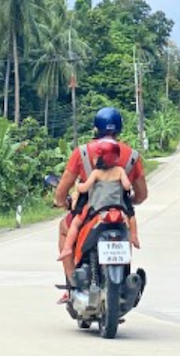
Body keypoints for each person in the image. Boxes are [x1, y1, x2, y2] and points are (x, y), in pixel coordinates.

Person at [54, 107, 147, 303]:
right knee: (130, 228)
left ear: (96, 128)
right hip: (120, 211)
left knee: (65, 228)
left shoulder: (82, 153)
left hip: (90, 209)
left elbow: (63, 190)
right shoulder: (132, 156)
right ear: (119, 129)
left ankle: (72, 286)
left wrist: (62, 201)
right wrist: (128, 201)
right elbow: (141, 195)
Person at [57, 143, 140, 261]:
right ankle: (134, 237)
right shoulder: (120, 170)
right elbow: (127, 186)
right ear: (116, 158)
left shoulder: (96, 173)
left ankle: (67, 248)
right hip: (117, 206)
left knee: (75, 222)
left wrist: (78, 186)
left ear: (99, 159)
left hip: (96, 208)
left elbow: (85, 187)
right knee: (131, 216)